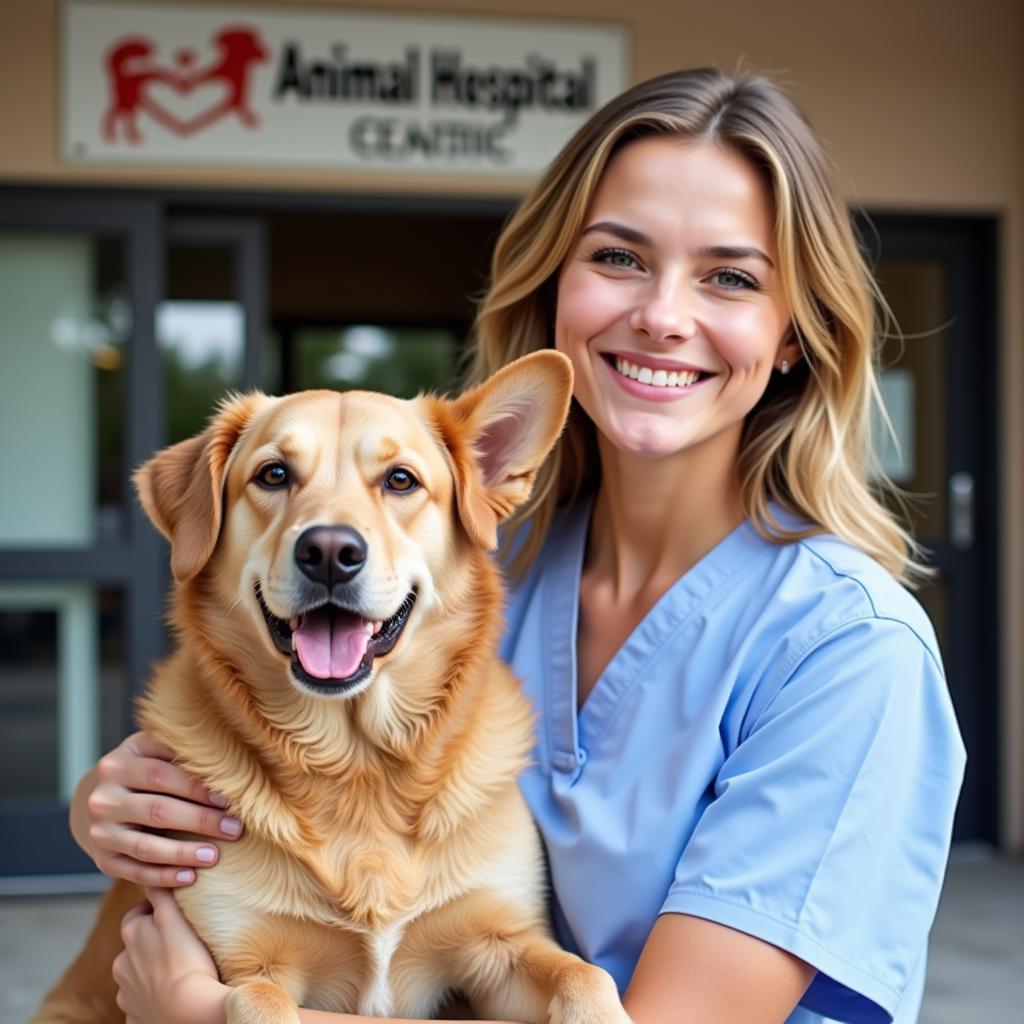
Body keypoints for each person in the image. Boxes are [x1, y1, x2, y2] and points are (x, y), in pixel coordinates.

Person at [68, 67, 965, 1024]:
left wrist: (206, 1017)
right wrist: (113, 803)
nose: (663, 314)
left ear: (793, 335)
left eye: (731, 277)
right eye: (618, 257)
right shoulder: (474, 566)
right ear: (554, 288)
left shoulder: (849, 653)